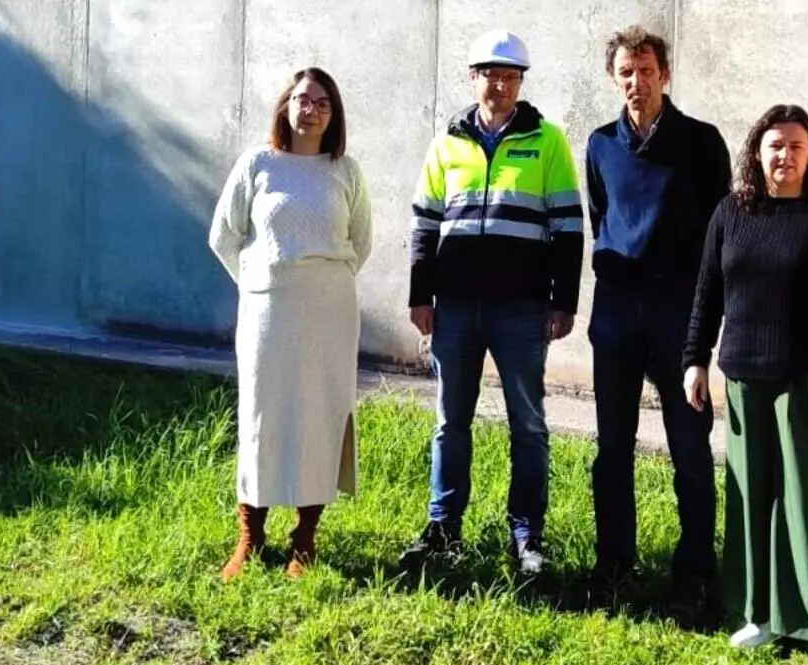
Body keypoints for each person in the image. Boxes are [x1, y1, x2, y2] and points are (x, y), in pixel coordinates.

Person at [682, 104, 808, 665]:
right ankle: (762, 614)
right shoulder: (731, 212)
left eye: (796, 146)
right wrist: (695, 358)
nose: (785, 156)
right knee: (751, 500)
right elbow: (707, 293)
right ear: (757, 152)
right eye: (775, 145)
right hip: (745, 377)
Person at [400, 29, 585, 575]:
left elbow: (568, 227)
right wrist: (420, 296)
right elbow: (423, 225)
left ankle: (527, 536)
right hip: (455, 307)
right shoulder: (447, 143)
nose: (499, 85)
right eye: (490, 74)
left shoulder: (546, 141)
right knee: (450, 421)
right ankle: (443, 528)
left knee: (528, 424)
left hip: (521, 310)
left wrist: (563, 302)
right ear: (472, 78)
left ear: (520, 83)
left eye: (510, 76)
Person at [583, 25, 731, 609]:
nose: (637, 82)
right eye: (626, 72)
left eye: (646, 71)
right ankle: (613, 566)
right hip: (618, 311)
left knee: (690, 448)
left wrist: (703, 327)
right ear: (614, 79)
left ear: (664, 75)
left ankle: (694, 572)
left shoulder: (701, 142)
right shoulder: (600, 145)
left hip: (679, 312)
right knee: (612, 448)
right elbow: (603, 219)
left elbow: (719, 236)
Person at [210, 67, 372, 581]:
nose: (311, 110)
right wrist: (258, 282)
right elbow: (223, 235)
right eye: (303, 99)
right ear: (286, 105)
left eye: (323, 103)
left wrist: (321, 282)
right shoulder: (257, 163)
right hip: (268, 312)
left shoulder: (345, 171)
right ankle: (250, 536)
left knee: (320, 414)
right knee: (263, 413)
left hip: (330, 314)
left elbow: (361, 241)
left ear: (334, 113)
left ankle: (304, 540)